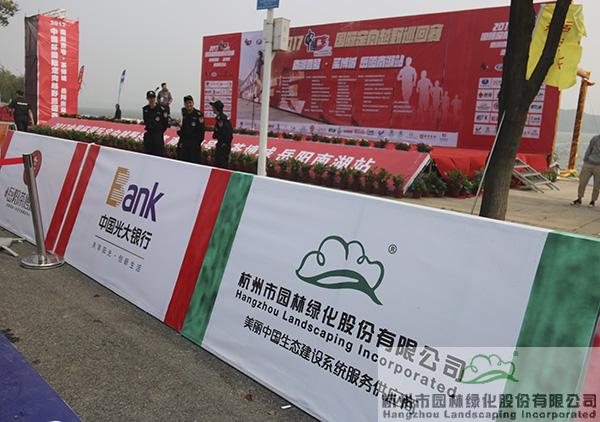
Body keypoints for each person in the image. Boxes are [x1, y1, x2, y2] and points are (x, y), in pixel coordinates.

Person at [572, 134, 600, 207]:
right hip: (589, 163)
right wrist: (585, 159)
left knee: (597, 185)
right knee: (582, 182)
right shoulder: (595, 138)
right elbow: (589, 148)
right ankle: (579, 198)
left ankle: (593, 201)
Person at [177, 95, 205, 164]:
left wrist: (196, 144)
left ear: (193, 103)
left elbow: (201, 131)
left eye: (190, 102)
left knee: (194, 163)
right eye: (186, 103)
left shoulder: (198, 114)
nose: (188, 105)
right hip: (185, 144)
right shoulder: (185, 114)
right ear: (184, 104)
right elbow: (184, 129)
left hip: (194, 145)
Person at [142, 90, 169, 157]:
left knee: (159, 154)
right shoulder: (145, 109)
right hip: (149, 135)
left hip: (158, 135)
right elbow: (146, 121)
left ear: (155, 98)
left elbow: (165, 123)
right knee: (147, 155)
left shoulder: (161, 109)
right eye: (150, 98)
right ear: (147, 98)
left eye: (153, 97)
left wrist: (159, 131)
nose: (151, 99)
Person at [210, 100, 233, 169]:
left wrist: (224, 144)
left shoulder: (221, 119)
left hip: (223, 146)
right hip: (222, 144)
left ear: (216, 108)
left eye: (213, 107)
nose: (212, 109)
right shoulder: (221, 117)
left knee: (221, 165)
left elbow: (227, 133)